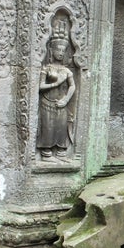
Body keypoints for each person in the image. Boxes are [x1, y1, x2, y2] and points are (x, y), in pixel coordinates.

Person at [36, 33, 76, 161]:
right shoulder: (46, 69)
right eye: (58, 49)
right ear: (51, 51)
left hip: (61, 104)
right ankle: (46, 154)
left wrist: (65, 100)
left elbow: (72, 86)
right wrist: (56, 83)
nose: (60, 52)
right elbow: (40, 86)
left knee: (61, 128)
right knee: (48, 128)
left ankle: (61, 153)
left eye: (63, 50)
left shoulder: (67, 70)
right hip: (47, 103)